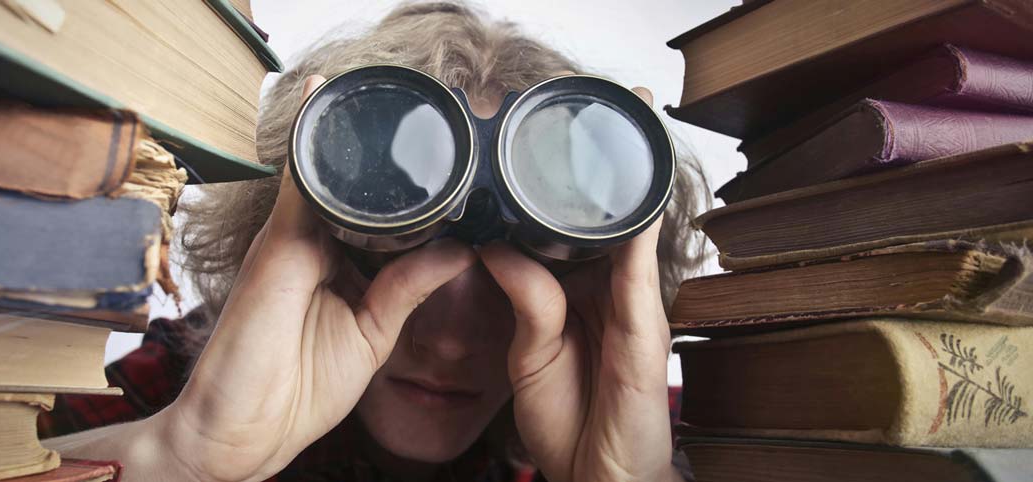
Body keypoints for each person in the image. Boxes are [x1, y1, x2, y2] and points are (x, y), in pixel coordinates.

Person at [39, 2, 708, 481]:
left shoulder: (676, 431)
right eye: (394, 254)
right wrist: (183, 454)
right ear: (282, 243)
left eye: (517, 279)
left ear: (598, 281)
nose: (447, 342)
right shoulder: (153, 393)